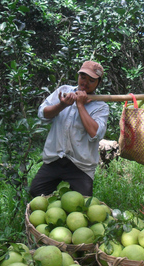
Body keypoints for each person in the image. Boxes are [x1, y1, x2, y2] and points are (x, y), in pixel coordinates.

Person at [29, 61, 109, 197]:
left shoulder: (101, 106)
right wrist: (61, 105)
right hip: (55, 158)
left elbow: (95, 133)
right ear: (78, 76)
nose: (85, 82)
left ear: (98, 83)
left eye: (91, 80)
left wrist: (80, 105)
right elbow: (42, 114)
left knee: (82, 201)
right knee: (36, 192)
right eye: (83, 77)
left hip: (80, 165)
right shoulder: (64, 91)